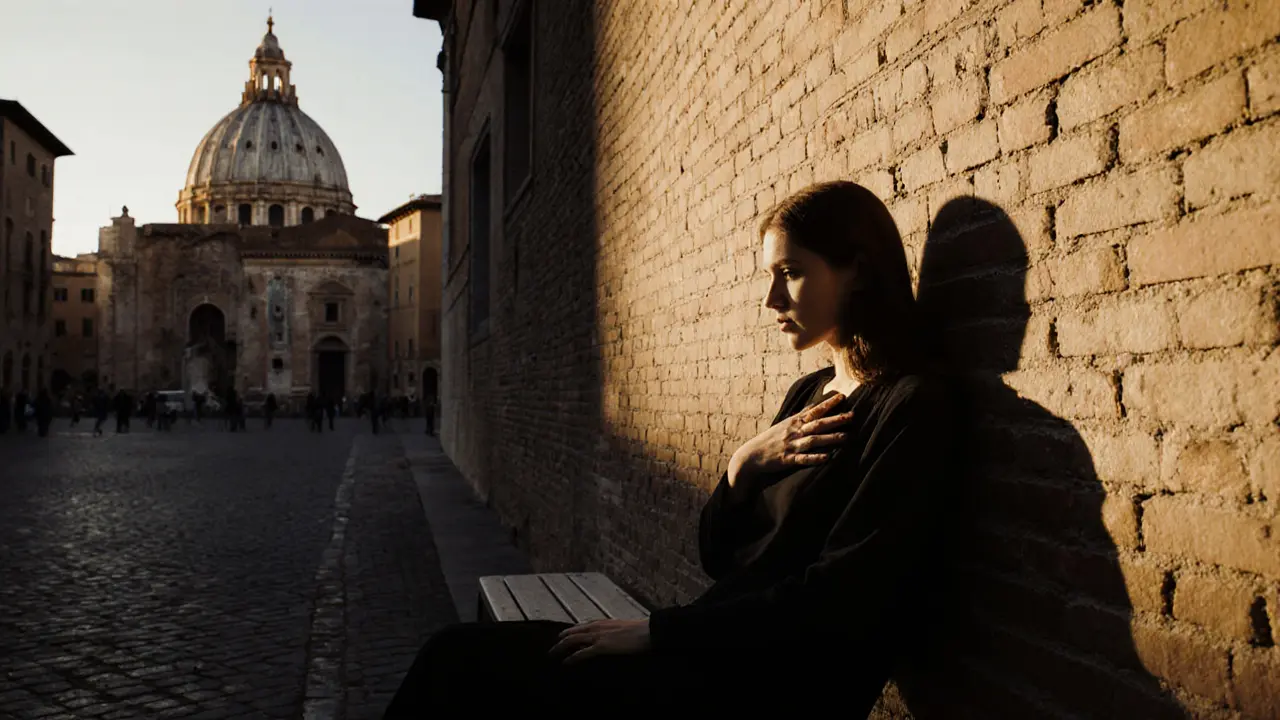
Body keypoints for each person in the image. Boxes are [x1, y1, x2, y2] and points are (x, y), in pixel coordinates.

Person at [381, 181, 958, 716]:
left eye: (791, 273)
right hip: (708, 648)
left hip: (767, 685)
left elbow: (840, 601)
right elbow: (718, 555)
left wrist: (659, 632)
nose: (771, 299)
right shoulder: (810, 393)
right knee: (456, 657)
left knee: (465, 669)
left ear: (855, 270)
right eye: (770, 275)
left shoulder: (911, 407)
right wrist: (742, 466)